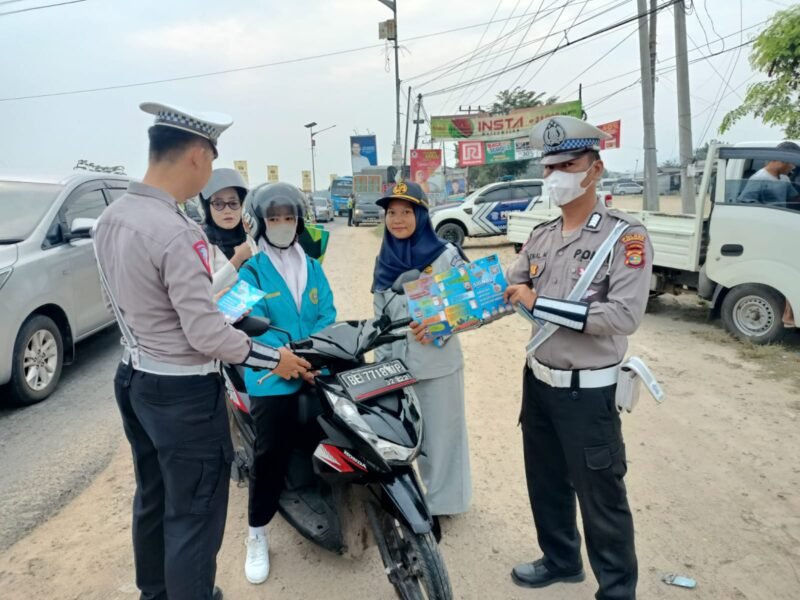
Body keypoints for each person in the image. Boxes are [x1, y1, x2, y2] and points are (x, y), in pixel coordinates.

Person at [93, 102, 311, 600]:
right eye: (211, 162)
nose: (210, 176)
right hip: (183, 395)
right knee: (194, 515)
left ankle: (156, 593)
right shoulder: (176, 231)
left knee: (154, 498)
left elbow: (126, 302)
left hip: (134, 380)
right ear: (196, 155)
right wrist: (273, 357)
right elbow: (207, 336)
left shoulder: (111, 219)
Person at [503, 115, 653, 600]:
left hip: (587, 392)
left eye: (568, 164)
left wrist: (536, 301)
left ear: (595, 168)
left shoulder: (624, 237)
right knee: (545, 481)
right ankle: (561, 559)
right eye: (550, 167)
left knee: (601, 497)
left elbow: (622, 316)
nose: (557, 176)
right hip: (539, 383)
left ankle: (616, 590)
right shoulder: (542, 235)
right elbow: (506, 286)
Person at [237, 182, 337, 585]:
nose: (282, 225)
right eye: (274, 218)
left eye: (289, 218)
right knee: (270, 452)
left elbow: (326, 313)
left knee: (333, 428)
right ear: (260, 223)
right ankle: (256, 532)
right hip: (269, 374)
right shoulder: (252, 269)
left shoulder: (313, 266)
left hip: (313, 366)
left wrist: (313, 355)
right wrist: (289, 360)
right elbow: (253, 323)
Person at [372, 181, 472, 518]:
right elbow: (379, 313)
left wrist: (442, 322)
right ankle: (412, 499)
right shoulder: (385, 257)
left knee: (442, 440)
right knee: (405, 437)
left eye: (406, 212)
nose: (398, 220)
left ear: (422, 214)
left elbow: (477, 304)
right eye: (391, 213)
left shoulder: (446, 255)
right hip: (395, 366)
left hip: (437, 364)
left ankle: (445, 505)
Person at [199, 168, 257, 295]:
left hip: (257, 312)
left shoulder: (251, 239)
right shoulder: (203, 243)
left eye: (233, 203)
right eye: (218, 204)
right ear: (208, 207)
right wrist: (237, 259)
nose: (227, 210)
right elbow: (204, 290)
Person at [738, 141, 800, 205]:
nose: (793, 167)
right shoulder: (759, 178)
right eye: (793, 163)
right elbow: (745, 202)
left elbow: (794, 198)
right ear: (784, 159)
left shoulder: (784, 178)